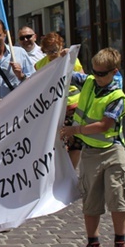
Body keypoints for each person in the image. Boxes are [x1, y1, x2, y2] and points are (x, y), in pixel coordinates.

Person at [59, 48, 125, 247]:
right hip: (90, 153)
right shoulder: (90, 81)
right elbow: (67, 75)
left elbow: (104, 125)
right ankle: (92, 244)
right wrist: (63, 59)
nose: (97, 77)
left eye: (102, 74)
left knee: (118, 196)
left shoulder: (117, 96)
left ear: (114, 72)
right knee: (91, 199)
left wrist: (76, 131)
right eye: (95, 72)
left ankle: (120, 244)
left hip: (112, 150)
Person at [35, 32, 84, 168]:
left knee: (75, 143)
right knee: (57, 142)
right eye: (48, 51)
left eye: (55, 49)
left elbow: (83, 79)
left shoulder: (71, 58)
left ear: (61, 45)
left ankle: (71, 172)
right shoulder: (40, 65)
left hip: (72, 105)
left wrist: (69, 57)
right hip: (54, 107)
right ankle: (61, 172)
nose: (52, 53)